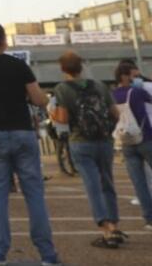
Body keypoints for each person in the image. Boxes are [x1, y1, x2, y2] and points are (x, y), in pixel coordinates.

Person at [0, 23, 59, 266]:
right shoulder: (18, 65)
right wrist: (45, 97)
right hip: (22, 132)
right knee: (34, 193)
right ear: (4, 40)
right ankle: (47, 254)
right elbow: (38, 99)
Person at [52, 51, 123, 249]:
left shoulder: (62, 89)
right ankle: (115, 225)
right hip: (104, 141)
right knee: (107, 182)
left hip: (80, 141)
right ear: (81, 66)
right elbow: (115, 113)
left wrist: (53, 113)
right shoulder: (99, 85)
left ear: (62, 69)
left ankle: (105, 229)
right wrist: (107, 130)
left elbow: (64, 119)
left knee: (93, 186)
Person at [112, 61, 152, 229]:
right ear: (125, 76)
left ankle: (149, 218)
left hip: (126, 142)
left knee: (139, 182)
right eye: (134, 76)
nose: (137, 79)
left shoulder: (112, 94)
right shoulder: (136, 92)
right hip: (146, 139)